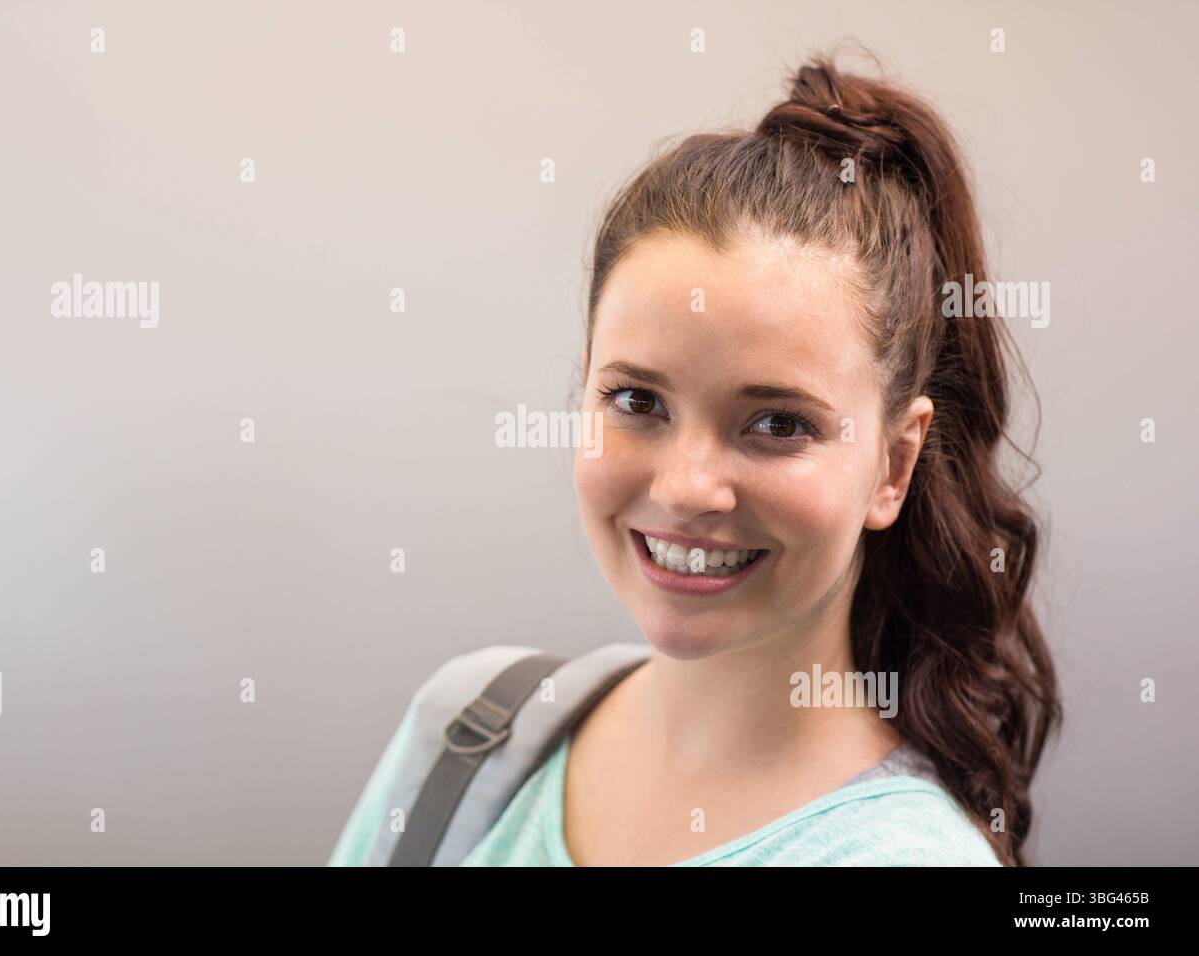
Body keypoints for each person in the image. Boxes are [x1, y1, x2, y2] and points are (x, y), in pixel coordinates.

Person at [331, 53, 1060, 867]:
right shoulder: (467, 730)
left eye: (779, 424)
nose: (685, 489)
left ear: (894, 465)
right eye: (638, 402)